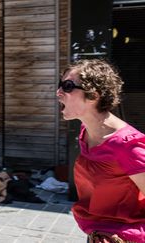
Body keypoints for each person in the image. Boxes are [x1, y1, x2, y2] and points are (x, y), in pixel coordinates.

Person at [57, 59, 145, 243]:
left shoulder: (128, 146)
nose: (58, 93)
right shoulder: (86, 134)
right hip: (98, 235)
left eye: (67, 86)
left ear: (93, 95)